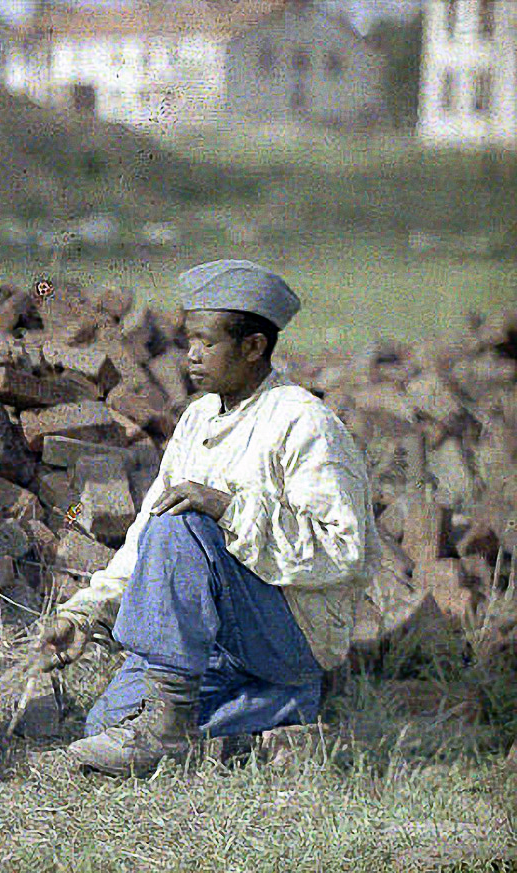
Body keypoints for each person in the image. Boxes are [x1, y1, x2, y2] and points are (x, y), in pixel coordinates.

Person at [39, 259, 380, 777]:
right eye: (188, 340)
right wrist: (85, 613)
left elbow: (343, 549)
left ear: (253, 347)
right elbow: (143, 540)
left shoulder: (303, 420)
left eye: (207, 342)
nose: (191, 356)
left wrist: (226, 507)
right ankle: (278, 710)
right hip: (218, 635)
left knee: (184, 524)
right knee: (104, 723)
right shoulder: (199, 416)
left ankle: (173, 731)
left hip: (288, 630)